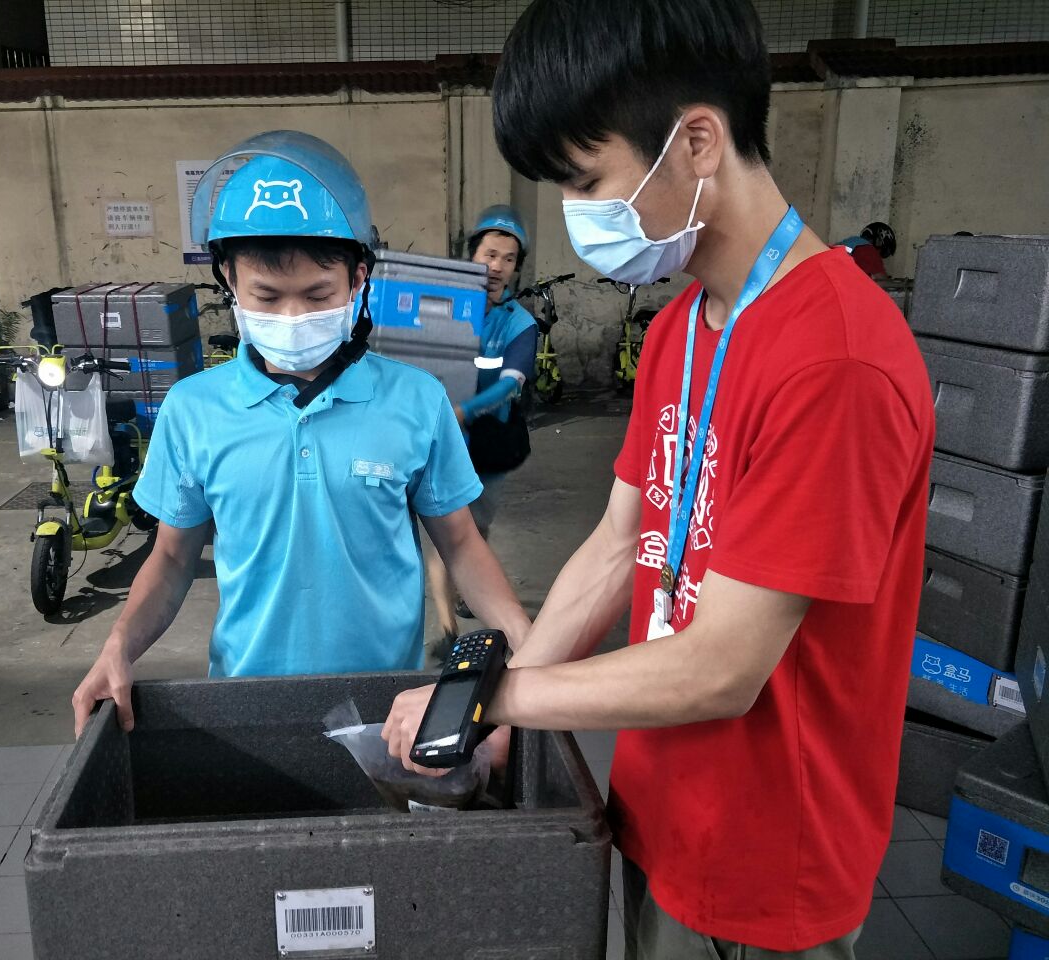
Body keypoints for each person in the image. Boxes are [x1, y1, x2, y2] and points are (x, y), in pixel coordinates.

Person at [383, 2, 934, 957]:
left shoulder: (836, 360)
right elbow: (616, 545)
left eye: (588, 180)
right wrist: (509, 693)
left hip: (768, 860)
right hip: (661, 808)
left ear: (698, 141)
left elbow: (722, 669)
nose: (578, 217)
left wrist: (493, 700)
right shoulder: (685, 327)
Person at [73, 131, 529, 737]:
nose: (292, 317)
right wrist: (118, 647)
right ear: (229, 280)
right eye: (266, 296)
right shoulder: (193, 410)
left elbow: (462, 545)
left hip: (389, 706)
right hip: (246, 705)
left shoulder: (417, 400)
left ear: (358, 279)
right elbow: (173, 557)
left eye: (318, 295)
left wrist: (526, 641)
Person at [425, 204, 538, 660]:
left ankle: (470, 589)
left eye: (508, 259)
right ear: (470, 256)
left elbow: (511, 384)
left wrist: (464, 412)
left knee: (477, 528)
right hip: (443, 441)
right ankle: (447, 627)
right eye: (489, 254)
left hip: (488, 443)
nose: (497, 266)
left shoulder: (518, 323)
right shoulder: (443, 308)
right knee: (443, 527)